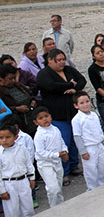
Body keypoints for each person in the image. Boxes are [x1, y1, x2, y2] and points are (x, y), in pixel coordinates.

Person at [36, 49, 86, 186]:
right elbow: (51, 87)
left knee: (74, 140)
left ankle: (74, 166)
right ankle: (64, 172)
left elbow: (82, 80)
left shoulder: (69, 70)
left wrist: (75, 89)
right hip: (57, 114)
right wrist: (70, 85)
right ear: (50, 60)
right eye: (58, 60)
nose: (62, 62)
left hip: (72, 112)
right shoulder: (43, 74)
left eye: (63, 59)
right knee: (61, 142)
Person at [0, 123, 35, 217]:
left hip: (23, 181)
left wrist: (32, 177)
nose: (4, 140)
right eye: (1, 138)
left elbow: (28, 163)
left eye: (8, 137)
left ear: (16, 137)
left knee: (28, 208)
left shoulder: (22, 148)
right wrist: (2, 191)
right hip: (8, 184)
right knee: (12, 212)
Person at [71, 91, 104, 191]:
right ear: (76, 105)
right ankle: (92, 188)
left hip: (98, 145)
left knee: (101, 167)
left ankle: (103, 184)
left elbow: (99, 130)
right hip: (89, 148)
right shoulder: (76, 119)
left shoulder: (94, 115)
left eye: (87, 101)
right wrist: (83, 152)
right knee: (91, 170)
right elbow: (77, 136)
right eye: (81, 103)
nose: (85, 105)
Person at [32, 106, 67, 207]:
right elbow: (41, 153)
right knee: (53, 188)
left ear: (50, 116)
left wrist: (65, 152)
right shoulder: (39, 135)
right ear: (36, 122)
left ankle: (60, 205)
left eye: (46, 116)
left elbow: (61, 142)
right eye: (41, 118)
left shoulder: (55, 129)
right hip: (45, 164)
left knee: (59, 187)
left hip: (57, 161)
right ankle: (53, 207)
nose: (45, 119)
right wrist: (57, 154)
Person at [0, 64, 37, 134]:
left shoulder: (18, 85)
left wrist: (33, 100)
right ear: (1, 78)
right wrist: (17, 109)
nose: (13, 80)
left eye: (14, 77)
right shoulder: (1, 92)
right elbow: (4, 110)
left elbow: (30, 94)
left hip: (32, 118)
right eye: (10, 79)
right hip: (20, 123)